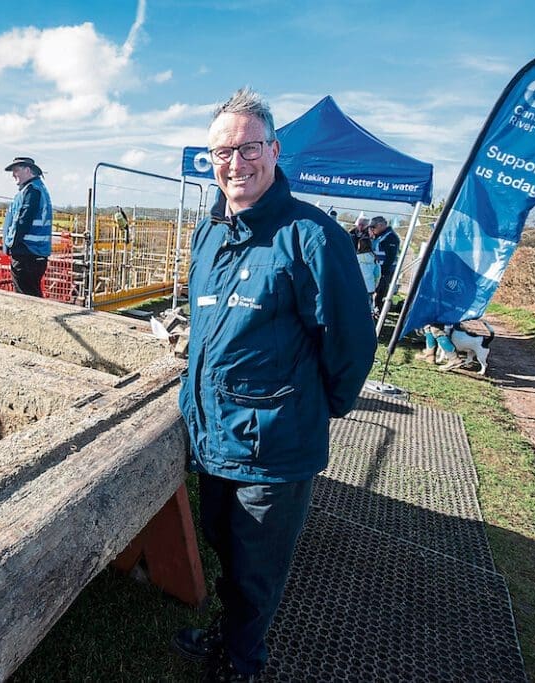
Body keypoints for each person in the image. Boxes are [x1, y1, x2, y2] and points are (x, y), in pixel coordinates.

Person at [174, 87, 376, 682]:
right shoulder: (209, 233)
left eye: (248, 148)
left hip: (273, 446)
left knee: (258, 568)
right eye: (221, 152)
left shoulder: (311, 237)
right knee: (225, 546)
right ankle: (230, 632)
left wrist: (315, 408)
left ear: (274, 149)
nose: (235, 163)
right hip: (213, 435)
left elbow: (350, 344)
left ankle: (243, 662)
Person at [1, 156, 52, 297]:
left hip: (27, 254)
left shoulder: (31, 191)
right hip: (35, 254)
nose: (13, 175)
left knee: (25, 298)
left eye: (16, 170)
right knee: (32, 295)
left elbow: (23, 221)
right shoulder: (37, 189)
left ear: (27, 170)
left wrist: (12, 245)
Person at [369, 215, 400, 313]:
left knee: (381, 291)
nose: (372, 229)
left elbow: (390, 257)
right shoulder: (378, 236)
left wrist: (383, 271)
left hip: (385, 271)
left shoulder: (390, 237)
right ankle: (374, 308)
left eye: (374, 227)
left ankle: (379, 310)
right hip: (376, 269)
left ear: (381, 225)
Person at [356, 236, 380, 311]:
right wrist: (375, 284)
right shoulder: (375, 258)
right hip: (370, 286)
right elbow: (377, 274)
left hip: (358, 285)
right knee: (368, 306)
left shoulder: (356, 258)